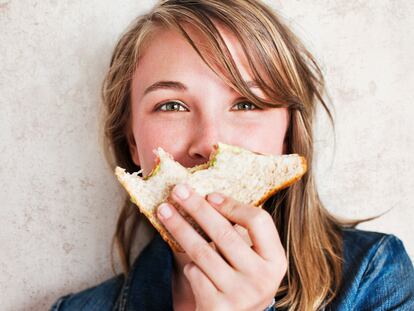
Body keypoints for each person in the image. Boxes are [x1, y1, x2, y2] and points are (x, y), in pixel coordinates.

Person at [50, 0, 414, 310]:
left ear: (288, 136)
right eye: (172, 105)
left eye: (245, 103)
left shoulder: (372, 275)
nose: (210, 144)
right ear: (132, 142)